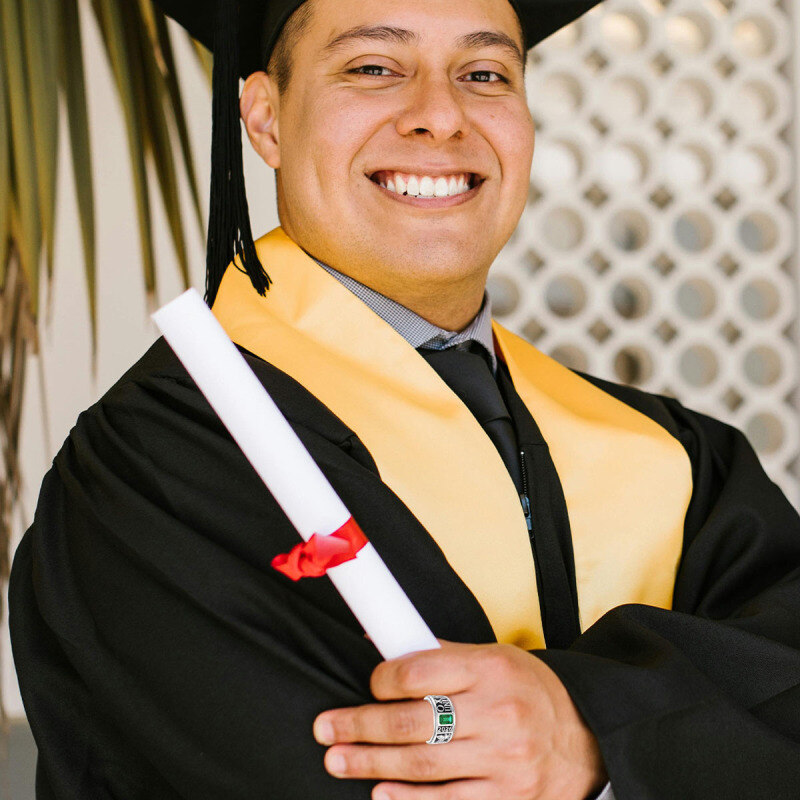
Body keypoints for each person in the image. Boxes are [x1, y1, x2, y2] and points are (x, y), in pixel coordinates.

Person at [9, 0, 800, 797]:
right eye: (374, 68)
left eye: (484, 73)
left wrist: (590, 727)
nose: (440, 115)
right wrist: (669, 731)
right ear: (266, 119)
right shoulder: (155, 471)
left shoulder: (678, 459)